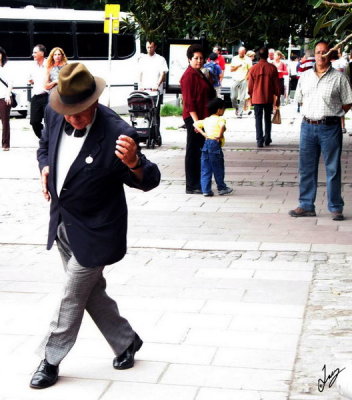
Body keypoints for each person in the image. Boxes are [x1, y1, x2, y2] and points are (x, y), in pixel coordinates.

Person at [30, 62, 161, 389]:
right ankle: (126, 340)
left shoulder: (118, 133)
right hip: (62, 222)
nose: (72, 117)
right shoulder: (54, 110)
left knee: (72, 295)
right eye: (68, 111)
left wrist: (134, 163)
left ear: (94, 101)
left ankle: (49, 359)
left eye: (79, 112)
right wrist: (45, 167)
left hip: (99, 229)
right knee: (90, 292)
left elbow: (150, 179)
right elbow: (45, 147)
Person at [289, 41, 352, 221]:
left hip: (330, 128)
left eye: (324, 52)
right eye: (318, 52)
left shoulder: (339, 78)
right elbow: (300, 99)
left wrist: (335, 113)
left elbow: (348, 101)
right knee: (306, 168)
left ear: (330, 55)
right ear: (314, 55)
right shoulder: (305, 77)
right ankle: (306, 205)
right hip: (308, 127)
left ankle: (335, 207)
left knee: (332, 169)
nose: (321, 55)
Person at [180, 44, 216, 194]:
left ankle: (199, 183)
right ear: (189, 59)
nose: (199, 61)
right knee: (193, 151)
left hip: (202, 117)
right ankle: (192, 185)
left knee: (200, 151)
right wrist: (197, 123)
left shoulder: (199, 73)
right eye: (196, 58)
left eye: (201, 58)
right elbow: (189, 102)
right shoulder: (188, 76)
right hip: (194, 118)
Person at [194, 97, 233, 197]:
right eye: (223, 109)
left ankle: (206, 190)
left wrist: (203, 133)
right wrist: (220, 135)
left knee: (205, 168)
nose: (224, 111)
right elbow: (222, 126)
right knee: (218, 167)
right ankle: (221, 188)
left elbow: (195, 124)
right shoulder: (220, 119)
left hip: (206, 144)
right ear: (219, 109)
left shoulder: (206, 120)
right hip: (215, 144)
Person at [248, 47, 280, 147]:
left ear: (258, 56)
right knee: (267, 119)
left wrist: (250, 96)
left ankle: (259, 140)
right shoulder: (272, 68)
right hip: (268, 97)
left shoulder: (253, 69)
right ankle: (267, 138)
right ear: (267, 55)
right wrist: (277, 96)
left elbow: (250, 86)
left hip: (257, 98)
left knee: (258, 119)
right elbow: (276, 85)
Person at [137, 40, 168, 134]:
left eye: (151, 47)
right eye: (148, 47)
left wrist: (157, 85)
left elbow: (163, 73)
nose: (149, 49)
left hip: (155, 91)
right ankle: (147, 132)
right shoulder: (142, 59)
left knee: (155, 112)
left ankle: (156, 133)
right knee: (146, 112)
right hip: (145, 91)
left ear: (155, 47)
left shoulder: (160, 59)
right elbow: (140, 73)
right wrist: (140, 85)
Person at [29, 44, 49, 138]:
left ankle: (49, 142)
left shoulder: (49, 64)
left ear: (42, 53)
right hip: (36, 96)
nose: (33, 54)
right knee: (34, 122)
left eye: (35, 52)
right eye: (33, 52)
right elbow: (32, 80)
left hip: (47, 96)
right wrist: (31, 81)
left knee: (49, 121)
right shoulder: (33, 66)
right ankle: (44, 139)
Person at [230, 46, 252, 118]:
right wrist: (237, 66)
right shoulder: (235, 58)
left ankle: (240, 112)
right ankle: (236, 108)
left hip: (243, 79)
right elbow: (231, 69)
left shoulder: (248, 59)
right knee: (233, 97)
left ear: (244, 52)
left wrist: (246, 77)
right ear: (238, 52)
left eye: (242, 53)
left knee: (242, 98)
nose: (241, 54)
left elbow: (250, 70)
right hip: (235, 79)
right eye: (240, 53)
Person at [0, 46, 12, 151]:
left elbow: (10, 83)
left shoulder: (6, 67)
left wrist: (8, 95)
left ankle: (5, 144)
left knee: (5, 122)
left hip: (4, 98)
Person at [244, 50, 256, 115]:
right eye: (253, 56)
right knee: (248, 95)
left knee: (244, 95)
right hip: (247, 80)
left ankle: (245, 108)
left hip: (243, 79)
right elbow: (250, 71)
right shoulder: (249, 61)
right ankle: (248, 109)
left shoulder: (244, 60)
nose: (253, 58)